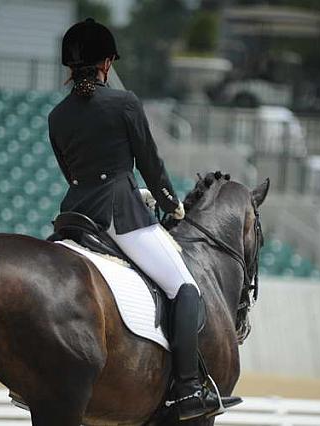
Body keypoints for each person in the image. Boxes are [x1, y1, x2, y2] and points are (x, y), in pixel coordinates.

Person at [47, 18, 241, 421]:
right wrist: (171, 203)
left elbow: (72, 171)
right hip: (119, 213)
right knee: (185, 288)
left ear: (70, 67)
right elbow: (150, 163)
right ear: (106, 64)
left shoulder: (58, 116)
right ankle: (187, 389)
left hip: (75, 214)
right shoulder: (124, 103)